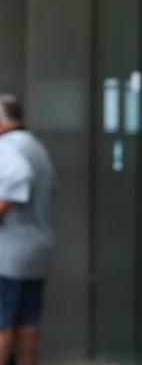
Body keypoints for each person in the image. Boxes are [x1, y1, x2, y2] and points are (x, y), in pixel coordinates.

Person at [0, 94, 56, 365]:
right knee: (27, 324)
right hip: (37, 250)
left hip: (8, 255)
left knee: (2, 325)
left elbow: (19, 176)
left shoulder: (7, 146)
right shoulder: (35, 145)